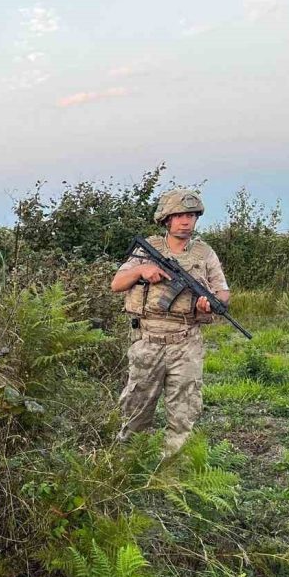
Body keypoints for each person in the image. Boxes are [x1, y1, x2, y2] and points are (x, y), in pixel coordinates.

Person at [110, 189, 230, 455]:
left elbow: (223, 292)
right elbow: (117, 284)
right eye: (178, 216)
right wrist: (142, 270)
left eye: (191, 215)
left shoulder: (204, 253)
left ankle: (172, 465)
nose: (185, 222)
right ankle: (129, 460)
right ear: (166, 219)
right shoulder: (148, 249)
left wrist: (212, 303)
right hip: (148, 339)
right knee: (137, 405)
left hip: (186, 341)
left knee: (184, 409)